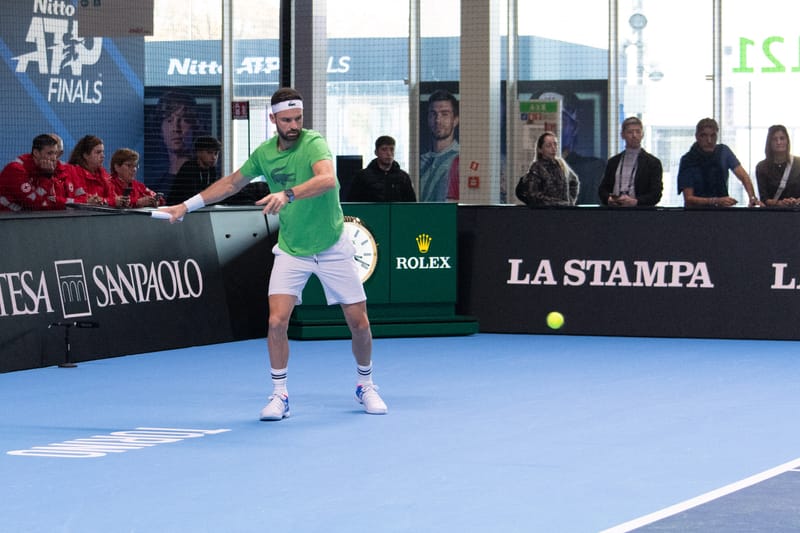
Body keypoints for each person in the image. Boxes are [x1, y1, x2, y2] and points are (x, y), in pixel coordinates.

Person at [160, 87, 388, 420]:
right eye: (286, 120)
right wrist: (185, 206)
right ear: (273, 119)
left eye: (298, 118)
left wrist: (288, 194)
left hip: (332, 245)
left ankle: (365, 384)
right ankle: (280, 394)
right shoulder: (265, 154)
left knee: (359, 323)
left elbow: (327, 179)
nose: (293, 126)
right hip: (293, 249)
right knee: (276, 321)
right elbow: (231, 184)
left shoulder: (314, 143)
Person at [677, 118, 762, 208]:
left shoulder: (723, 152)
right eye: (704, 136)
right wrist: (716, 201)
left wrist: (752, 198)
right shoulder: (688, 160)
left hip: (721, 210)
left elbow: (744, 176)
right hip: (696, 212)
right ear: (697, 136)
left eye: (713, 136)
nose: (709, 140)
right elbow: (689, 199)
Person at [0, 134, 84, 212]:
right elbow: (33, 204)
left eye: (55, 153)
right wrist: (47, 177)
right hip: (5, 218)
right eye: (49, 153)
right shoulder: (16, 170)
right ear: (36, 153)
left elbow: (48, 200)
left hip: (23, 218)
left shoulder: (43, 169)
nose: (54, 158)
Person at [598, 117, 663, 206]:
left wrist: (636, 202)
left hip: (640, 211)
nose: (634, 135)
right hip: (614, 210)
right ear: (622, 135)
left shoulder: (653, 163)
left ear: (642, 134)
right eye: (630, 132)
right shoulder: (613, 162)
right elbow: (602, 190)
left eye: (638, 132)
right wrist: (608, 199)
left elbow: (656, 194)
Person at [146, 90, 199, 195]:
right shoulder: (155, 188)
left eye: (184, 120)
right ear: (160, 129)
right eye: (169, 120)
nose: (176, 128)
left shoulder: (205, 181)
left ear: (194, 126)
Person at [515, 131, 579, 207]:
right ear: (540, 150)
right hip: (546, 211)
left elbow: (574, 182)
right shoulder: (537, 167)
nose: (553, 148)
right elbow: (533, 194)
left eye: (555, 144)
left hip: (562, 210)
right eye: (548, 146)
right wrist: (557, 203)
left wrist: (569, 201)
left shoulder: (560, 164)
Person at [347, 135, 416, 202]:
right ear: (376, 152)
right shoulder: (362, 176)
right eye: (384, 149)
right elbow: (352, 203)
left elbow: (411, 204)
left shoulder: (403, 177)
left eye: (392, 149)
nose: (389, 153)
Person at [419, 89, 459, 202]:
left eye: (445, 114)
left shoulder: (460, 159)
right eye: (433, 114)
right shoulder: (420, 161)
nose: (438, 120)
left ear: (455, 120)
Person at [167, 136, 221, 206]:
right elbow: (191, 196)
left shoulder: (212, 170)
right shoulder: (189, 168)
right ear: (199, 153)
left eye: (216, 153)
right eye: (209, 153)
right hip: (179, 208)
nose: (214, 157)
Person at [755, 125, 800, 207]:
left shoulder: (798, 163)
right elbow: (764, 199)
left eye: (782, 138)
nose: (779, 142)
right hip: (774, 212)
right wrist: (779, 203)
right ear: (769, 143)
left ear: (787, 141)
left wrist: (796, 201)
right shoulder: (762, 167)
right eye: (774, 139)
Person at [68, 135, 111, 205]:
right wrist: (88, 201)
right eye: (98, 152)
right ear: (85, 155)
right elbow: (77, 198)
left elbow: (112, 198)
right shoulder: (73, 172)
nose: (103, 156)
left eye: (103, 152)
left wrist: (103, 200)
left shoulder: (104, 175)